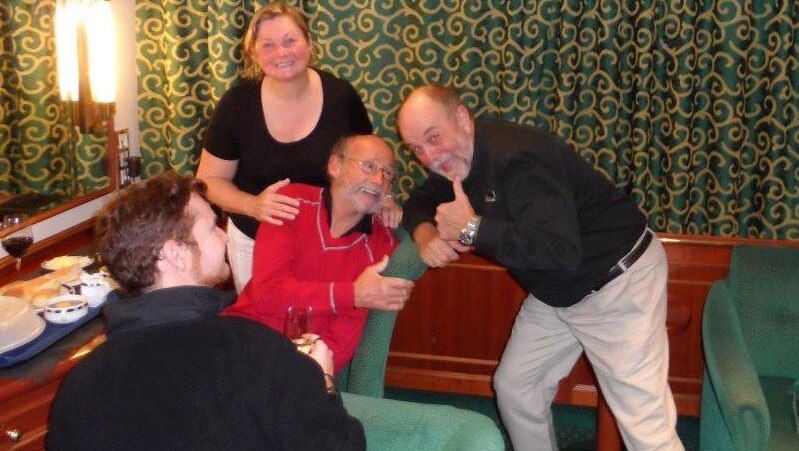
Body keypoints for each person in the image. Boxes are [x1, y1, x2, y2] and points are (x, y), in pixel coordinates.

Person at [397, 85, 684, 451]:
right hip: (558, 289)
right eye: (416, 148)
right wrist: (425, 237)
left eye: (433, 137)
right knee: (517, 387)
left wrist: (471, 228)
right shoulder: (455, 162)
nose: (429, 156)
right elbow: (419, 200)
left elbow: (560, 249)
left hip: (616, 282)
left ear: (463, 119)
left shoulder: (519, 158)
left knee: (645, 428)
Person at [47, 173, 365, 451]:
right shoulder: (259, 353)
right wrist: (322, 380)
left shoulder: (80, 386)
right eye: (213, 227)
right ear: (175, 253)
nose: (225, 235)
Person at [197, 2, 390, 292]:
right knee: (261, 333)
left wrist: (384, 199)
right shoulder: (236, 105)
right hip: (254, 242)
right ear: (253, 53)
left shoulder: (341, 96)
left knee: (318, 332)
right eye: (268, 45)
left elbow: (371, 164)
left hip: (330, 243)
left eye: (290, 41)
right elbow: (209, 181)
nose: (282, 53)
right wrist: (254, 205)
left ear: (309, 43)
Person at [224, 135, 414, 374]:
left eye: (387, 174)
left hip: (295, 370)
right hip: (240, 340)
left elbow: (341, 343)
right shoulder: (292, 202)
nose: (378, 180)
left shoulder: (382, 245)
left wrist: (300, 376)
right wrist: (352, 293)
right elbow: (268, 293)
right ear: (335, 166)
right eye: (369, 166)